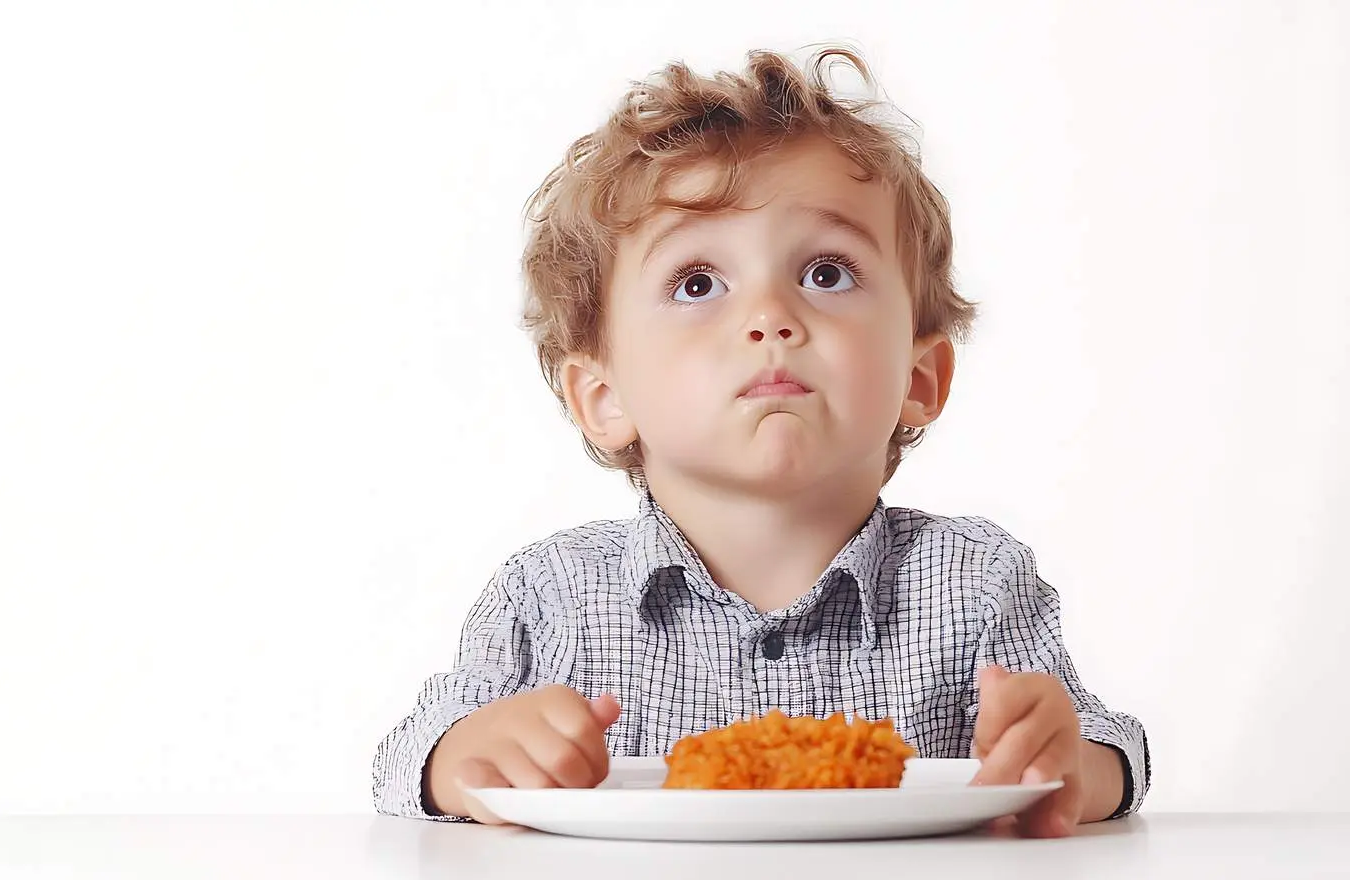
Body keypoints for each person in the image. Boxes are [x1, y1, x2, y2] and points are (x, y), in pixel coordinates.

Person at [372, 46, 1149, 837]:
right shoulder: (553, 596)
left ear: (919, 378)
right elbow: (403, 760)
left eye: (826, 272)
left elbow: (1111, 747)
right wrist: (461, 756)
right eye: (698, 283)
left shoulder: (976, 584)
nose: (771, 315)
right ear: (604, 399)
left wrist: (1069, 764)